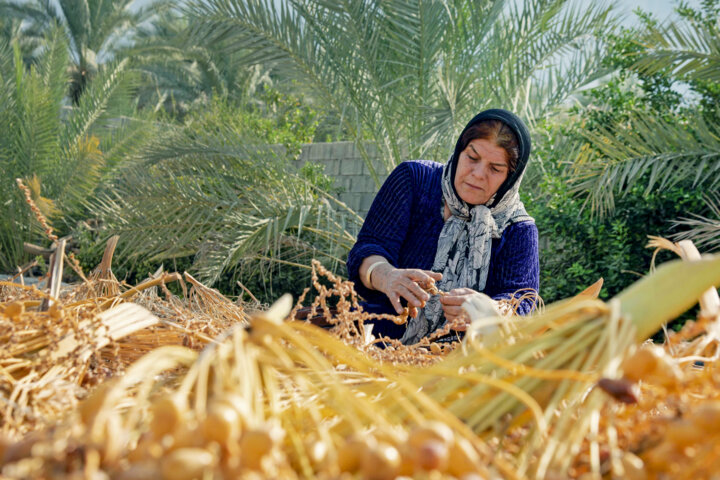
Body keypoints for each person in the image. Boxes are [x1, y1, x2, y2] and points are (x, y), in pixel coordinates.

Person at [346, 108, 539, 344]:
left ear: (511, 177)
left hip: (459, 365)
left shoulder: (518, 229)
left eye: (495, 169)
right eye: (472, 157)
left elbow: (523, 303)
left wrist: (489, 310)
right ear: (460, 151)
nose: (478, 174)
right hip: (370, 347)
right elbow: (368, 248)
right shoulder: (414, 181)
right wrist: (386, 276)